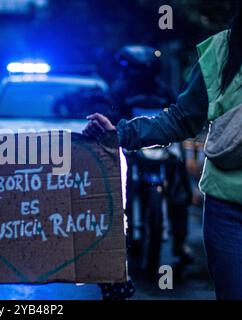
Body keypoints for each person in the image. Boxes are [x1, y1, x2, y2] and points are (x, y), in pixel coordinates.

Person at [84, 1, 242, 300]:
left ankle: (179, 239)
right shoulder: (222, 51)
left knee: (178, 182)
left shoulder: (157, 84)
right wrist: (117, 133)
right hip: (227, 212)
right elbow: (180, 118)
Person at [111, 45, 194, 267]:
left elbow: (179, 115)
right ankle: (114, 240)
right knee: (115, 187)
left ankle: (180, 243)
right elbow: (113, 116)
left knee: (179, 185)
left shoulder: (164, 91)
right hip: (132, 151)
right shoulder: (120, 91)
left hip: (163, 149)